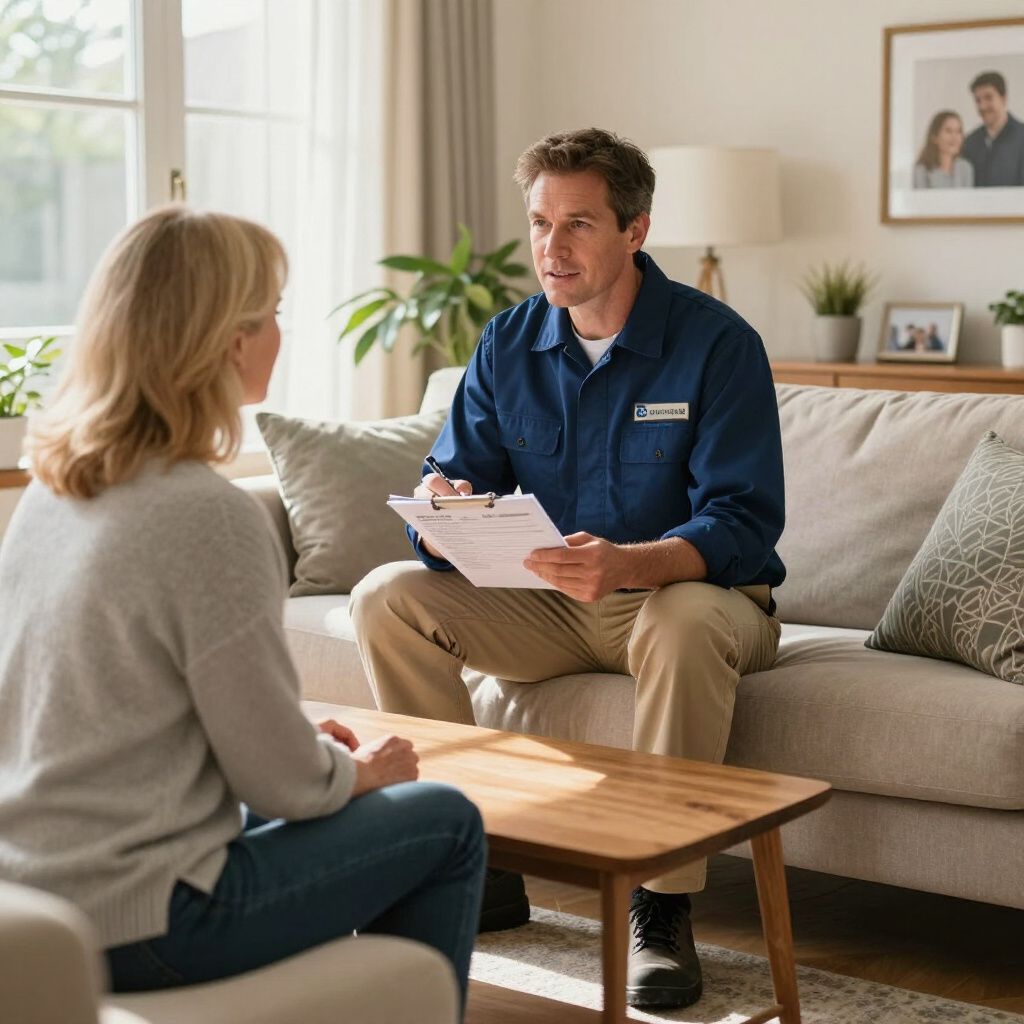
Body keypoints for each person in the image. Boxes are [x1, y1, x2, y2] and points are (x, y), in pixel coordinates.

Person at [0, 207, 485, 1012]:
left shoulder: (54, 492)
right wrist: (359, 772)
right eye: (276, 313)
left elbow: (143, 718)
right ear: (232, 340)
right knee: (442, 818)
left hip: (33, 887)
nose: (280, 332)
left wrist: (305, 755)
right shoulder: (205, 514)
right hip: (151, 919)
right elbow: (285, 785)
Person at [351, 127, 784, 1011]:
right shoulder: (506, 343)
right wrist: (445, 506)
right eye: (541, 222)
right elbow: (451, 483)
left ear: (635, 230)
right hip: (546, 605)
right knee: (386, 600)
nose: (552, 247)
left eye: (579, 224)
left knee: (686, 617)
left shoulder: (719, 345)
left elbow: (743, 521)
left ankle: (661, 905)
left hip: (684, 598)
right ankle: (474, 861)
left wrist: (631, 563)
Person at [961, 71, 1024, 187]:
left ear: (1004, 98)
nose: (982, 106)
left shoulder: (1021, 136)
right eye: (978, 100)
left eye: (988, 98)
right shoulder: (970, 141)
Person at [913, 110, 974, 188]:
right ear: (934, 137)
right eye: (948, 131)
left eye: (958, 131)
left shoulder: (965, 168)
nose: (955, 137)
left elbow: (967, 198)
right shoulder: (921, 170)